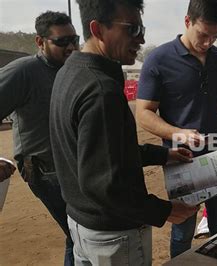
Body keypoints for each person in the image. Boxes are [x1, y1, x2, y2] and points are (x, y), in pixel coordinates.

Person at [49, 0, 198, 264]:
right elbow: (104, 185)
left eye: (141, 28)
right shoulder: (101, 90)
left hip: (82, 225)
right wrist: (163, 211)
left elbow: (106, 154)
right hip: (113, 237)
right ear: (97, 29)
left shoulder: (69, 72)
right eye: (132, 29)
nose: (141, 38)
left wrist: (164, 155)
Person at [136, 0, 217, 257]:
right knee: (183, 231)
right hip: (182, 160)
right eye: (203, 35)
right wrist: (178, 133)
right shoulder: (159, 60)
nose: (208, 42)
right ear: (187, 22)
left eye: (215, 36)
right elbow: (144, 114)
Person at [0, 11, 79, 265]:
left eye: (74, 39)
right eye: (62, 41)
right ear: (40, 42)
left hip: (72, 167)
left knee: (78, 233)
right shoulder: (23, 71)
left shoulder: (71, 69)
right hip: (45, 171)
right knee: (78, 232)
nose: (70, 47)